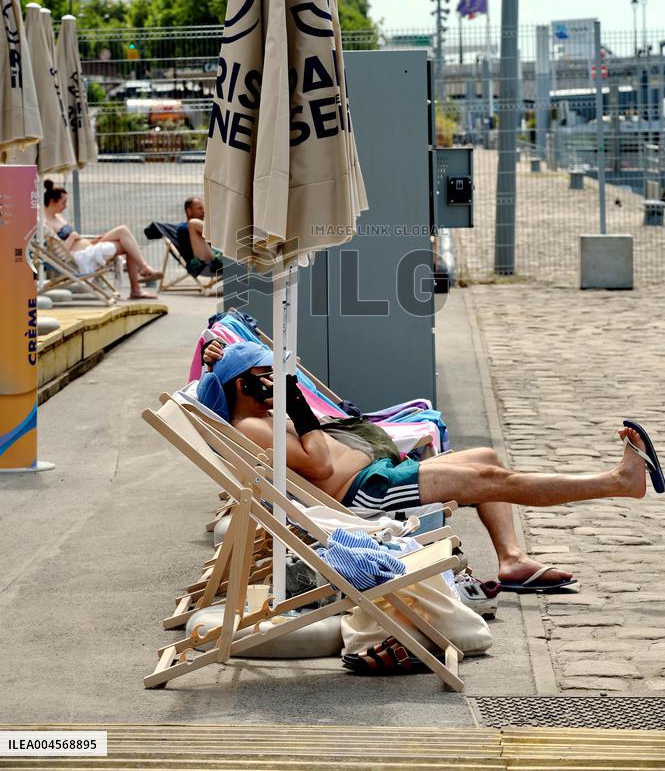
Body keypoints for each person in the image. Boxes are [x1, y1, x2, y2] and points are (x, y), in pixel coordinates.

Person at [198, 341, 663, 592]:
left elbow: (311, 448)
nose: (279, 380)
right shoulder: (252, 427)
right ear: (245, 385)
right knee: (492, 480)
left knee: (485, 458)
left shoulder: (259, 416)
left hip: (377, 477)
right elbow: (319, 467)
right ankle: (618, 483)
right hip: (368, 495)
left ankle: (512, 560)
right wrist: (299, 409)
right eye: (268, 375)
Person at [43, 180, 163, 299]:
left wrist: (92, 240)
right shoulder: (46, 223)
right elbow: (61, 253)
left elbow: (75, 239)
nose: (65, 206)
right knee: (124, 234)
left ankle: (141, 276)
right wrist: (73, 236)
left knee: (125, 237)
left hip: (89, 247)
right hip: (80, 257)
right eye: (63, 203)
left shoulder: (58, 218)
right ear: (53, 201)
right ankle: (141, 276)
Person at [183, 197, 222, 270]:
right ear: (189, 211)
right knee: (193, 223)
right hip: (201, 264)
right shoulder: (184, 227)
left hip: (216, 259)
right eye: (200, 208)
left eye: (203, 208)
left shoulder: (201, 227)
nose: (203, 211)